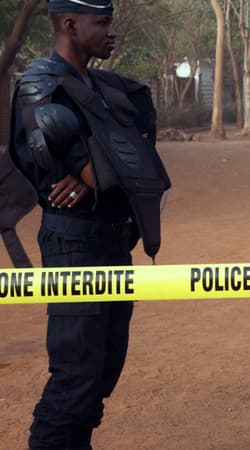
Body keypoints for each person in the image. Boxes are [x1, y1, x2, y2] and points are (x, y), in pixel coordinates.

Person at [3, 1, 171, 447]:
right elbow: (111, 173)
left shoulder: (104, 87)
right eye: (103, 23)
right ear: (70, 25)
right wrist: (99, 171)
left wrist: (98, 171)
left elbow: (139, 167)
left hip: (115, 242)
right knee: (76, 376)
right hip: (75, 244)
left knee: (103, 370)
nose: (111, 31)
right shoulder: (41, 85)